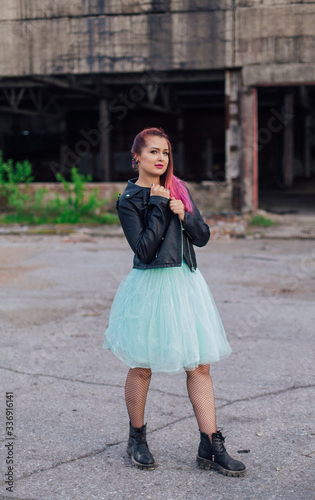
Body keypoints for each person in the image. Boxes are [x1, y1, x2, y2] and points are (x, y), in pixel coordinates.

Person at [103, 127, 246, 477]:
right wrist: (157, 205)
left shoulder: (178, 188)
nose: (161, 158)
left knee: (200, 365)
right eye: (153, 152)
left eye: (165, 153)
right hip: (150, 286)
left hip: (186, 283)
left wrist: (185, 213)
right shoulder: (129, 200)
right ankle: (137, 439)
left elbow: (203, 237)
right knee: (142, 365)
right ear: (136, 156)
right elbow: (144, 250)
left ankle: (210, 445)